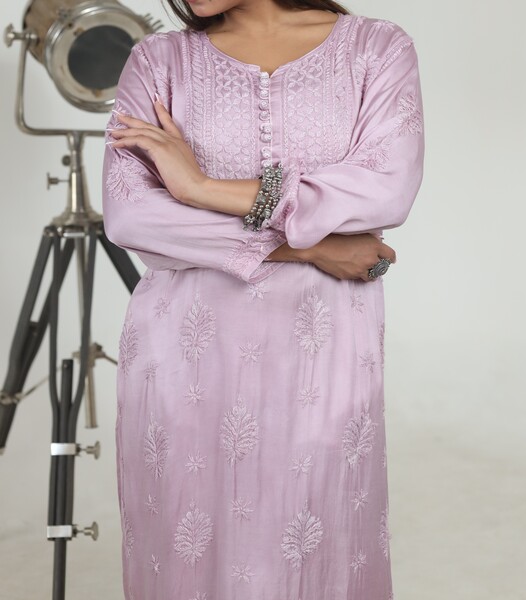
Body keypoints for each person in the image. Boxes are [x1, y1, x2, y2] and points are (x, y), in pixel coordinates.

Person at [101, 0, 424, 597]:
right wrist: (309, 247)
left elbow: (385, 191)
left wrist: (198, 186)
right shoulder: (157, 61)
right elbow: (132, 217)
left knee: (316, 546)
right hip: (184, 359)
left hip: (322, 353)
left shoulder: (375, 49)